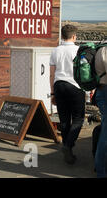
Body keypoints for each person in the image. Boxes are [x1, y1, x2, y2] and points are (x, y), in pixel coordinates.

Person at [50, 24, 83, 164]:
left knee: (64, 119)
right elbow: (84, 72)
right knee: (78, 119)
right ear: (74, 36)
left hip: (59, 85)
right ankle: (68, 145)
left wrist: (52, 93)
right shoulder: (79, 50)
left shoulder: (55, 51)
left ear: (62, 36)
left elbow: (51, 73)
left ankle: (66, 147)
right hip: (75, 86)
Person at [95, 41, 107, 177]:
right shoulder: (105, 50)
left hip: (101, 91)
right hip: (105, 92)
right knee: (105, 135)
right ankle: (101, 171)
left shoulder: (101, 49)